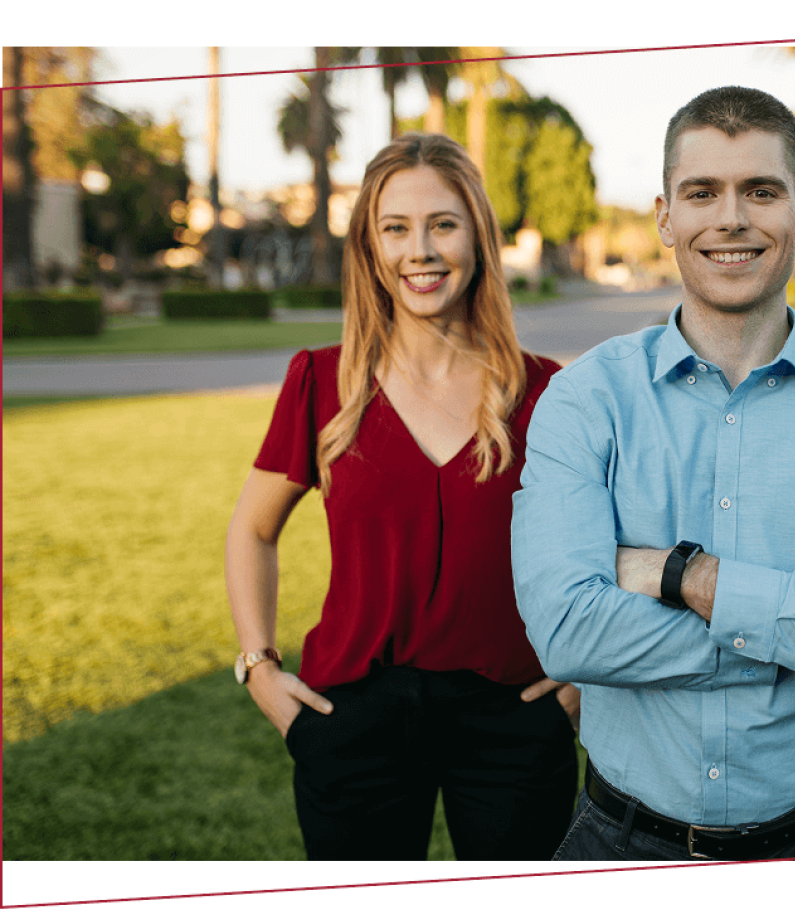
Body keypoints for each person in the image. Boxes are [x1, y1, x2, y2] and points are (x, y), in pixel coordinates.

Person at [511, 86, 795, 864]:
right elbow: (565, 631)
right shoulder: (587, 397)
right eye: (702, 193)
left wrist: (686, 577)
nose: (731, 218)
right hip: (620, 838)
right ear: (664, 217)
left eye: (760, 191)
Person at [225, 133, 578, 861]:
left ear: (478, 237)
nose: (420, 250)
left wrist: (584, 674)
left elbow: (614, 543)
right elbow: (252, 531)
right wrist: (259, 667)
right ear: (371, 249)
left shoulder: (546, 390)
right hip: (351, 716)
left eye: (442, 224)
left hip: (512, 715)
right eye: (396, 228)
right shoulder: (322, 380)